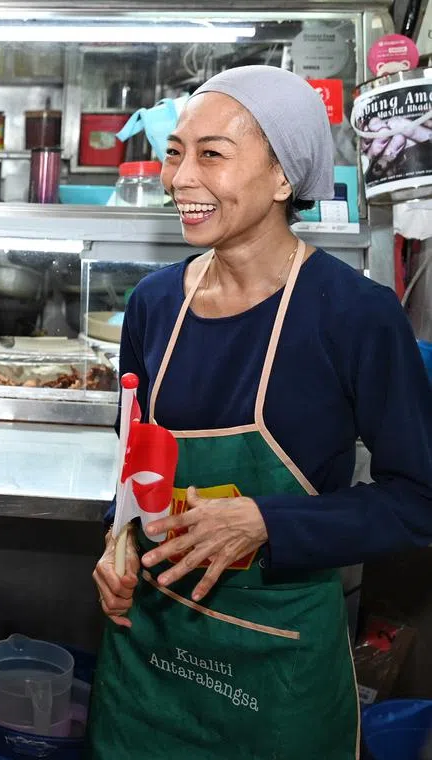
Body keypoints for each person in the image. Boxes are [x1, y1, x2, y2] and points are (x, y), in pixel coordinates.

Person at [88, 65, 432, 758]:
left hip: (277, 671)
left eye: (211, 154)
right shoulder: (154, 304)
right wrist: (115, 542)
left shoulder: (354, 316)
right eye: (175, 152)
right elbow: (135, 463)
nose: (179, 178)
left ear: (283, 178)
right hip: (148, 655)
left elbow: (418, 499)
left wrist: (267, 522)